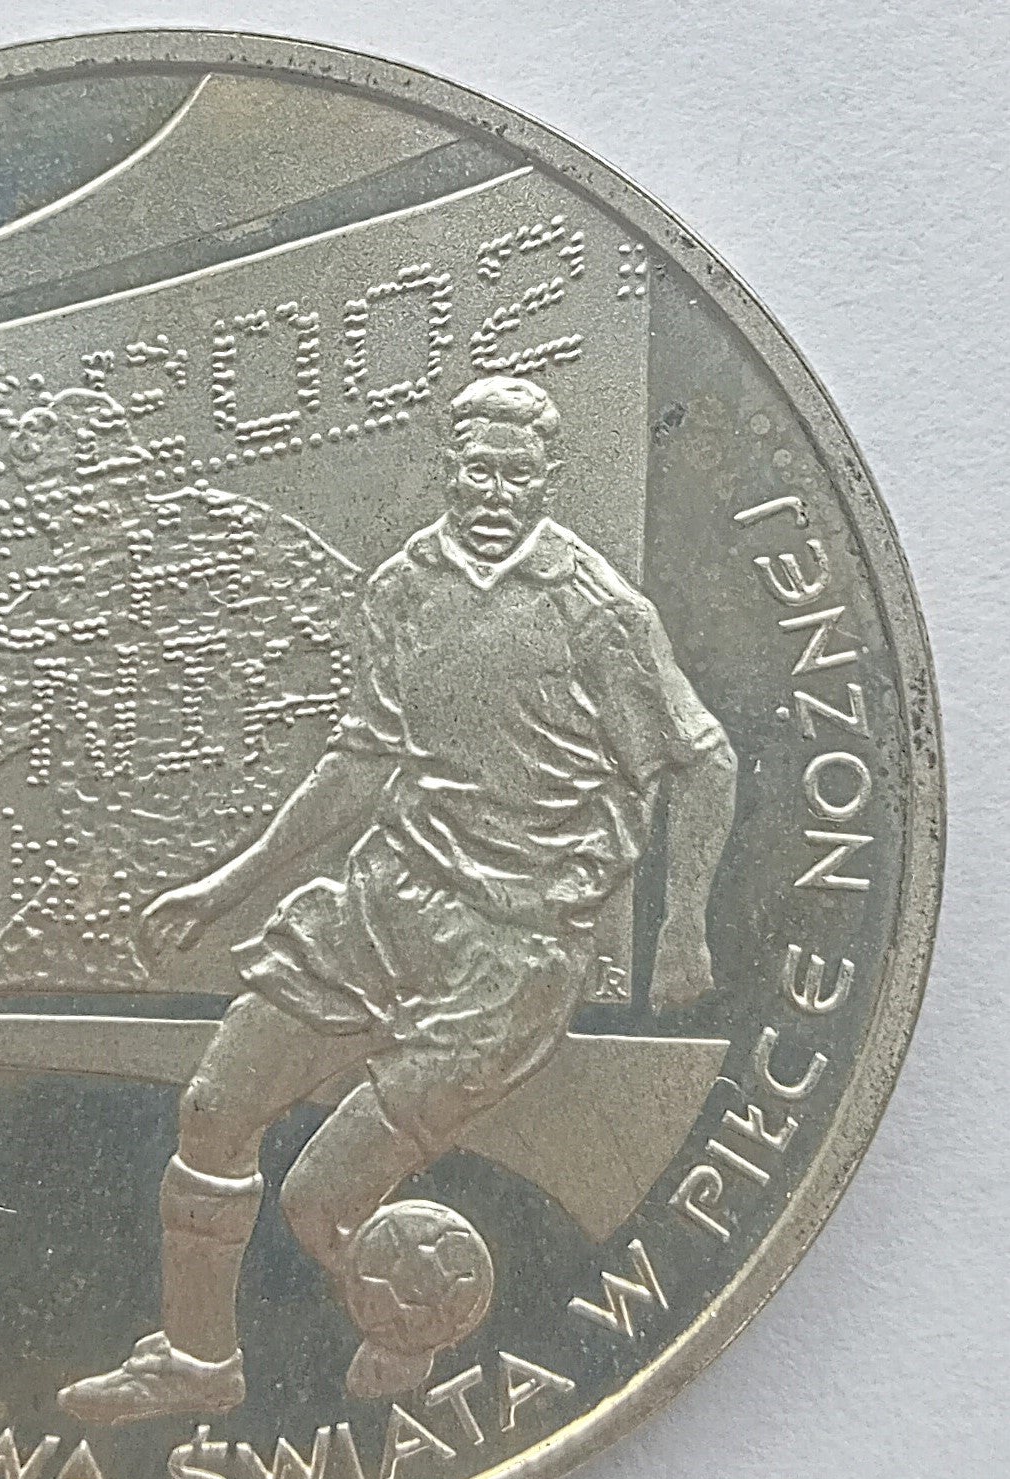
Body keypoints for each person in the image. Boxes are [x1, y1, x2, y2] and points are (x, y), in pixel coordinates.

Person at [57, 374, 738, 1421]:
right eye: (479, 468)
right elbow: (362, 759)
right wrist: (225, 886)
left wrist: (683, 925)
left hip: (509, 954)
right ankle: (198, 1362)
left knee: (318, 1203)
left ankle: (420, 1329)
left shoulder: (597, 612)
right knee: (213, 1109)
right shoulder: (403, 586)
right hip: (384, 903)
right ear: (448, 468)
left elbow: (706, 760)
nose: (495, 490)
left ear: (549, 479)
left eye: (517, 472)